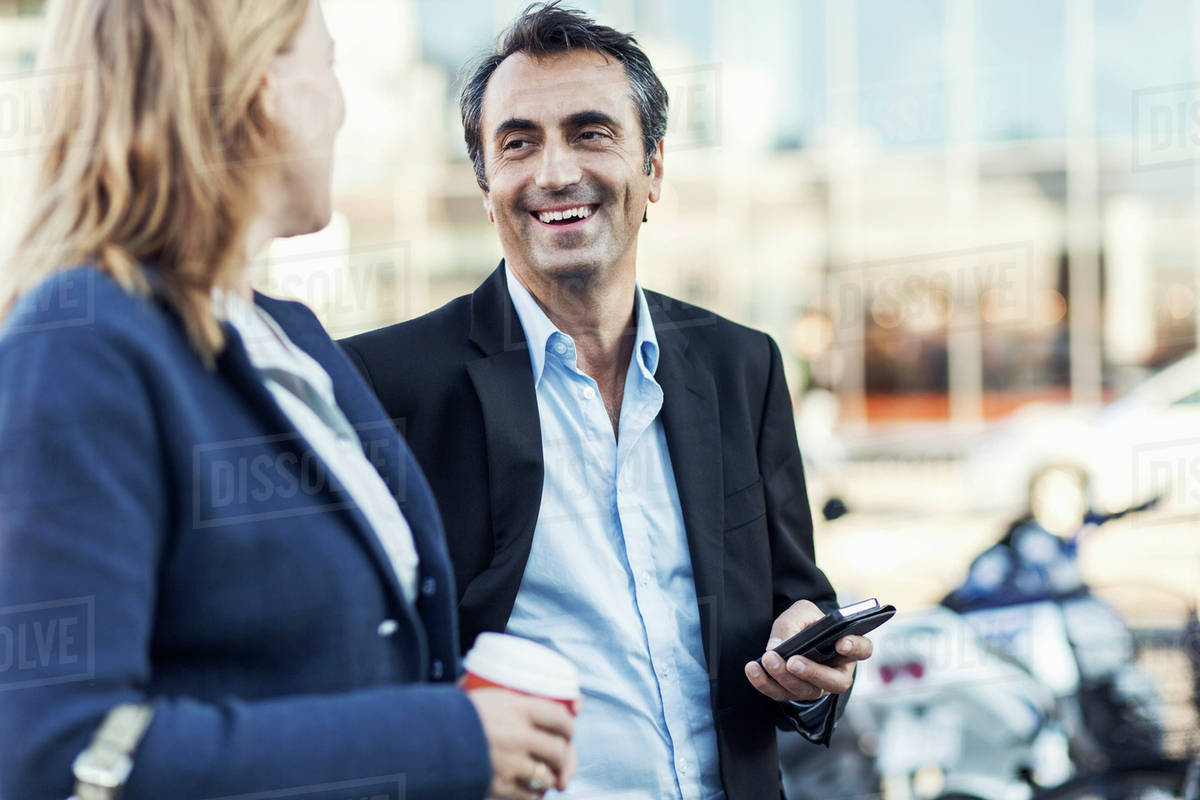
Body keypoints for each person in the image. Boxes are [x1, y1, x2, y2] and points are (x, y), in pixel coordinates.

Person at [0, 1, 574, 798]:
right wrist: (444, 741)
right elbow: (62, 758)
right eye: (328, 64)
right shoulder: (82, 342)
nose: (341, 105)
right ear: (262, 84)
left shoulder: (294, 340)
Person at [340, 3, 873, 798]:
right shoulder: (385, 385)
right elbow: (348, 668)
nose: (555, 172)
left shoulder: (742, 366)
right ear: (487, 187)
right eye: (518, 143)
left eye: (591, 133)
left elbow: (794, 597)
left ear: (653, 167)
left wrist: (807, 649)